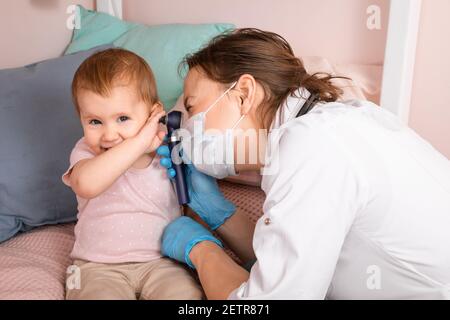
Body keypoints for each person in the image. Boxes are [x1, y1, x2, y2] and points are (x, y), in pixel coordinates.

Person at [157, 28, 450, 299]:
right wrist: (219, 215)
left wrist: (202, 250)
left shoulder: (311, 145)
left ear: (244, 93)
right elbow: (287, 263)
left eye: (192, 108)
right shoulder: (338, 123)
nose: (188, 130)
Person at [62, 48, 203, 300]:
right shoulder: (85, 153)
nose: (109, 134)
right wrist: (138, 143)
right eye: (95, 121)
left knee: (186, 296)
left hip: (163, 263)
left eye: (122, 118)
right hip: (97, 267)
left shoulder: (168, 149)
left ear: (152, 113)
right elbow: (86, 184)